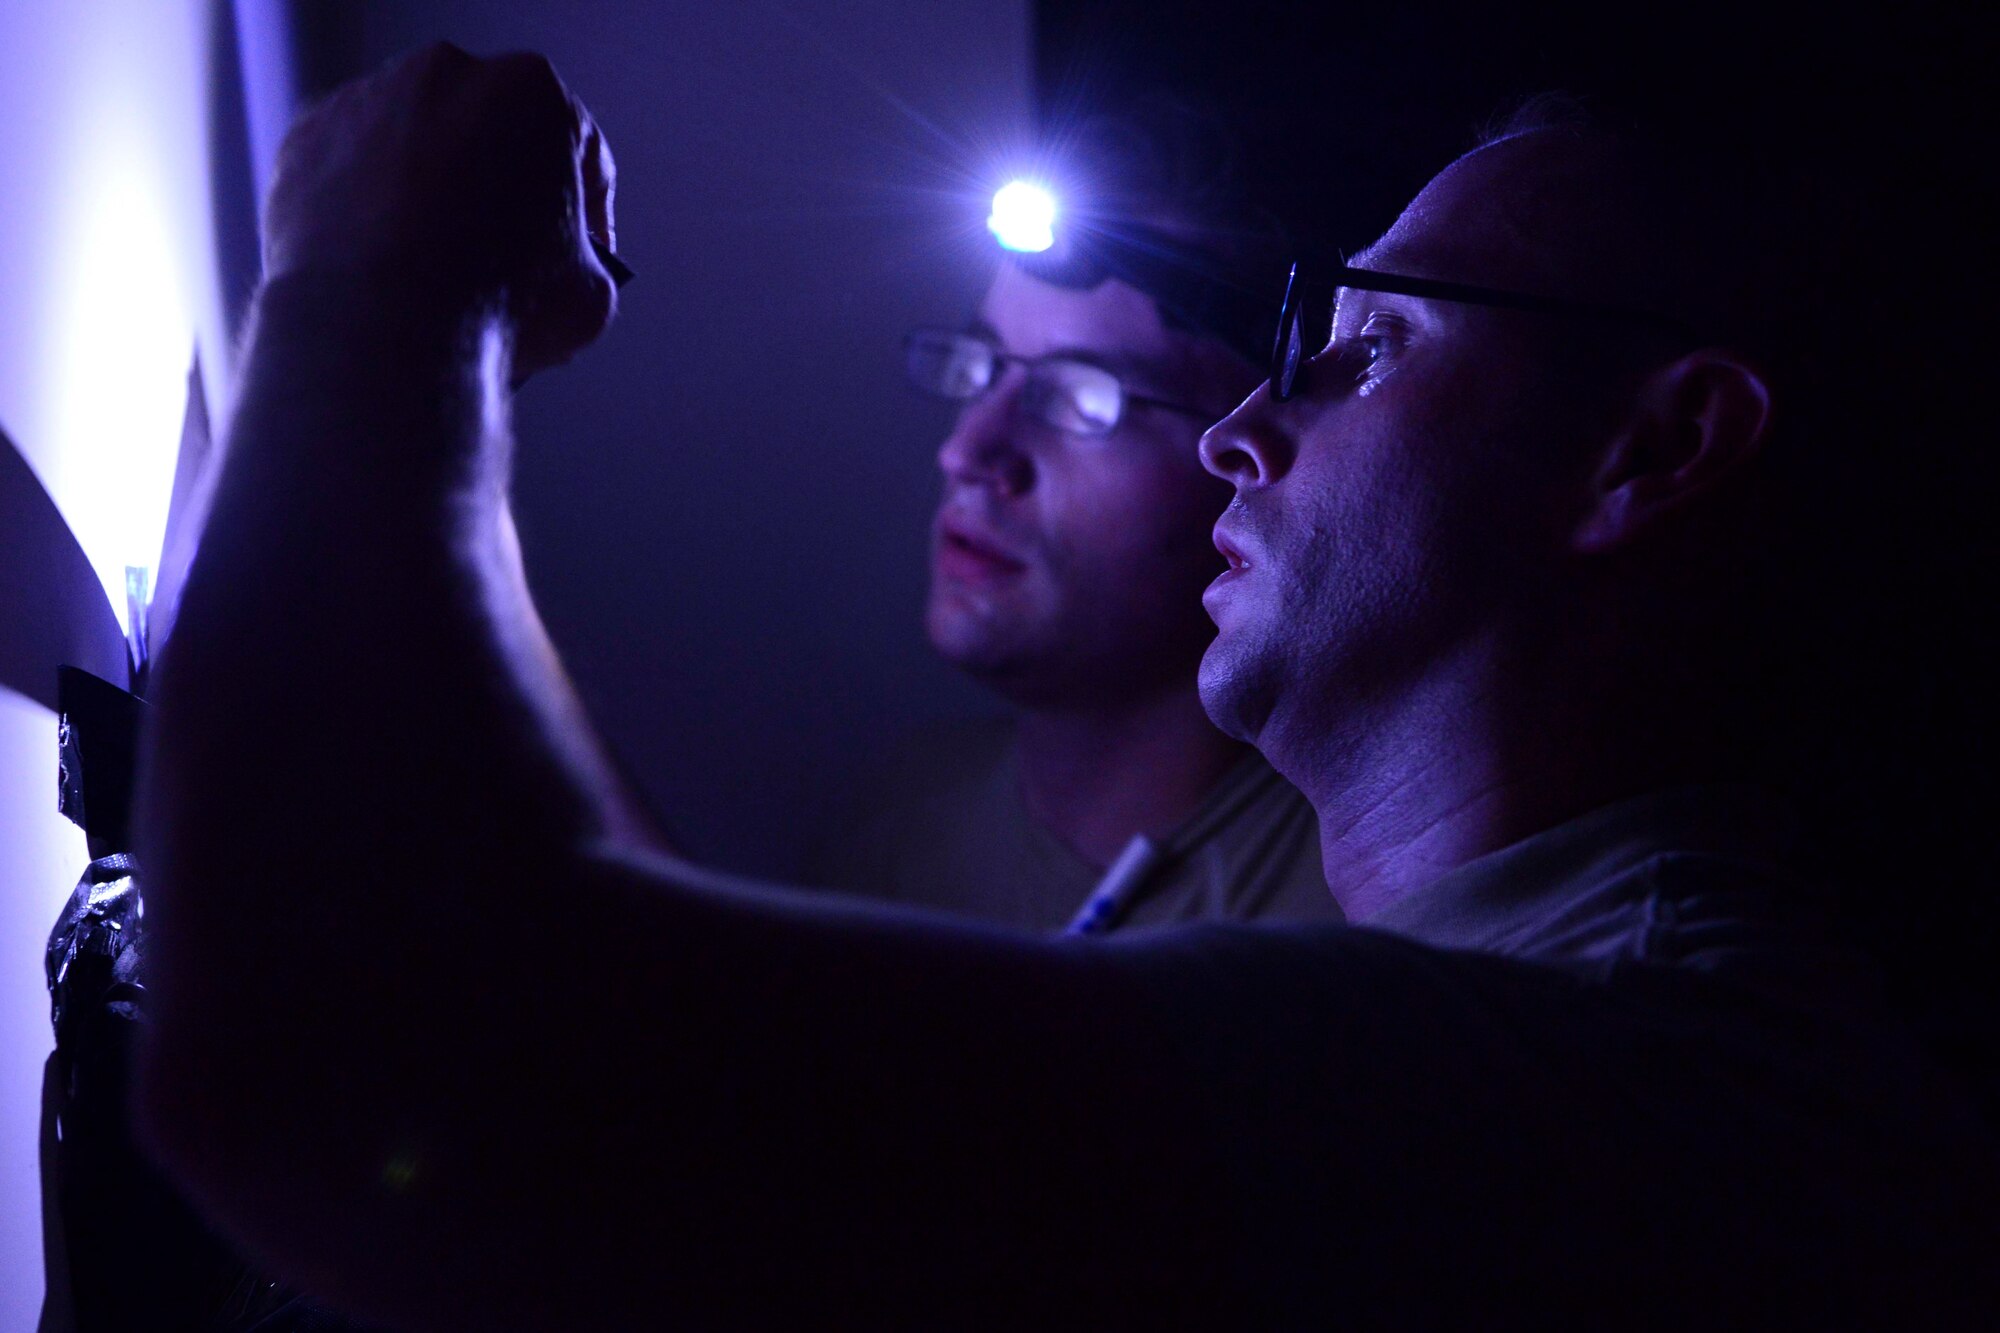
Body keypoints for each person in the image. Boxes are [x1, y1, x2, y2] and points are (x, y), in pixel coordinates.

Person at [135, 44, 1998, 1328]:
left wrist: (386, 285)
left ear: (1652, 449)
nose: (1248, 433)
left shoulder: (1635, 1090)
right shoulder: (1554, 1021)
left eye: (1368, 351)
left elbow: (388, 1061)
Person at [811, 106, 1336, 932]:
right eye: (985, 367)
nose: (969, 451)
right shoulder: (900, 819)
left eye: (1083, 400)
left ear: (1250, 456)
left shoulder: (1347, 907)